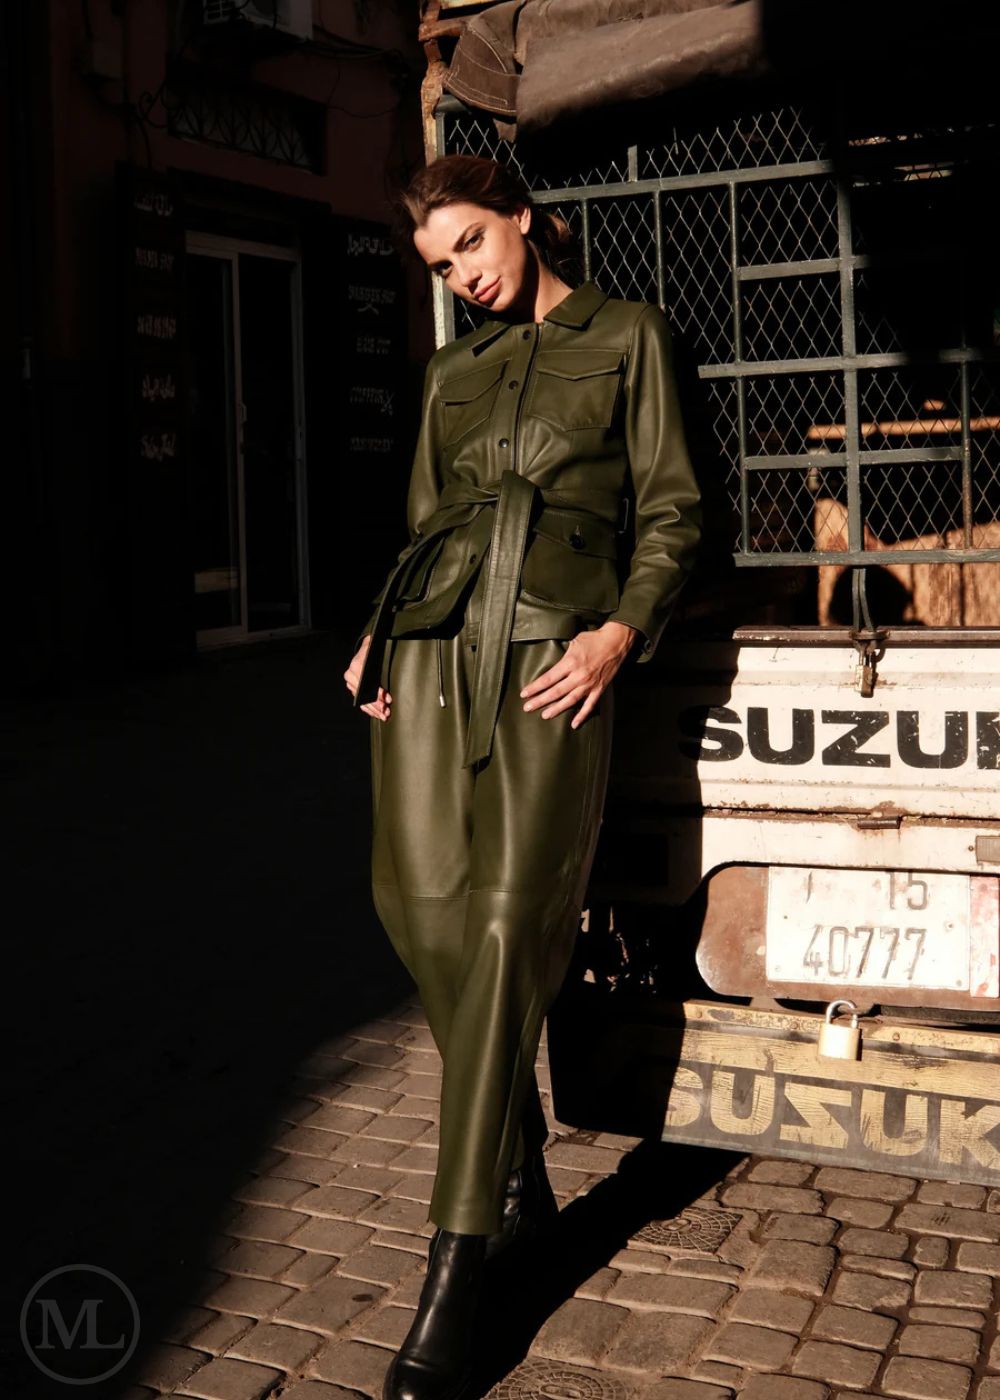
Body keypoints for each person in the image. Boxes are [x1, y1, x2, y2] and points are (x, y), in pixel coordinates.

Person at [343, 154, 701, 1400]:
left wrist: (618, 631)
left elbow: (670, 508)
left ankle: (460, 1266)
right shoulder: (453, 371)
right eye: (439, 266)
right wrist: (380, 627)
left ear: (522, 219)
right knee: (414, 903)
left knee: (504, 926)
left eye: (472, 247)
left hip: (554, 654)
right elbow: (425, 522)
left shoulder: (628, 336)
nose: (462, 278)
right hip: (435, 647)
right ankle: (515, 1158)